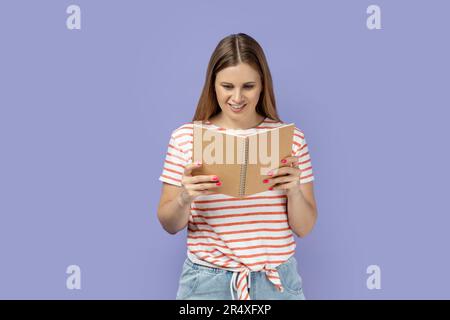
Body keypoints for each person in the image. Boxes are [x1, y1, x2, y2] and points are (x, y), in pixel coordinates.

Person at [157, 33, 318, 300]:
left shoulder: (291, 139)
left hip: (276, 283)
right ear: (213, 85)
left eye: (248, 86)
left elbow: (304, 227)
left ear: (263, 85)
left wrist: (294, 191)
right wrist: (185, 197)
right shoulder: (185, 138)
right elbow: (169, 224)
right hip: (207, 284)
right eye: (227, 86)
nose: (237, 97)